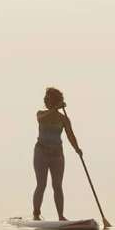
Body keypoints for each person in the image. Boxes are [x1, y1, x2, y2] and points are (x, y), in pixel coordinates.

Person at [33, 87, 82, 221]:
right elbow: (41, 120)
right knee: (41, 184)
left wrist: (77, 148)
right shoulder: (41, 113)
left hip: (57, 154)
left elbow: (70, 135)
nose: (44, 100)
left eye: (47, 98)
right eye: (45, 98)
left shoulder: (64, 119)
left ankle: (61, 216)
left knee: (57, 186)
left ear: (54, 101)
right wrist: (55, 109)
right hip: (41, 152)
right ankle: (36, 214)